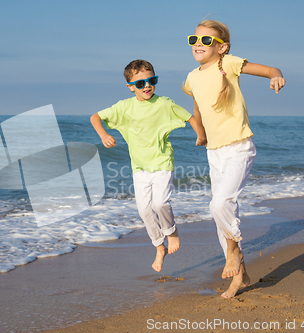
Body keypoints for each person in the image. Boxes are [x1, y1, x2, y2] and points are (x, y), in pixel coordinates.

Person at [182, 20, 286, 299]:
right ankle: (239, 275)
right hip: (214, 152)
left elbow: (268, 70)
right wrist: (200, 134)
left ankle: (233, 253)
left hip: (240, 147)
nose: (198, 45)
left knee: (220, 204)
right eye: (194, 39)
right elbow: (198, 107)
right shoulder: (192, 77)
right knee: (222, 215)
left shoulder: (228, 64)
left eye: (206, 41)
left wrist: (276, 75)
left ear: (222, 47)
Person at [91, 59, 206, 272]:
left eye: (151, 80)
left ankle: (171, 233)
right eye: (141, 82)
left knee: (160, 203)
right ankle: (158, 246)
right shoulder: (124, 107)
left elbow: (189, 117)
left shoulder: (164, 104)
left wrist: (201, 135)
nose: (147, 86)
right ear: (130, 87)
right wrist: (104, 134)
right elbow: (95, 117)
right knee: (144, 210)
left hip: (162, 162)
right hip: (139, 168)